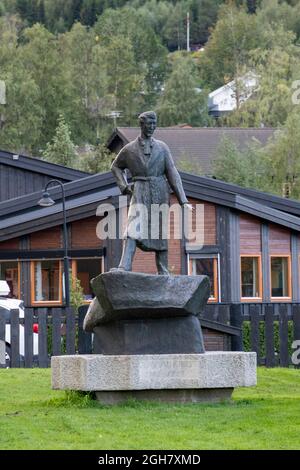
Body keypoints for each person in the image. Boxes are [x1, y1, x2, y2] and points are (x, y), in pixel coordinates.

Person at [111, 111, 192, 274]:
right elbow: (115, 167)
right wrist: (125, 187)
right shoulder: (129, 149)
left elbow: (172, 173)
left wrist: (183, 200)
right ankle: (124, 266)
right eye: (149, 124)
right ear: (141, 125)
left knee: (159, 231)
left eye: (154, 124)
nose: (152, 127)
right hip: (139, 190)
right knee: (133, 227)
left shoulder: (162, 148)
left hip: (159, 192)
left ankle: (163, 271)